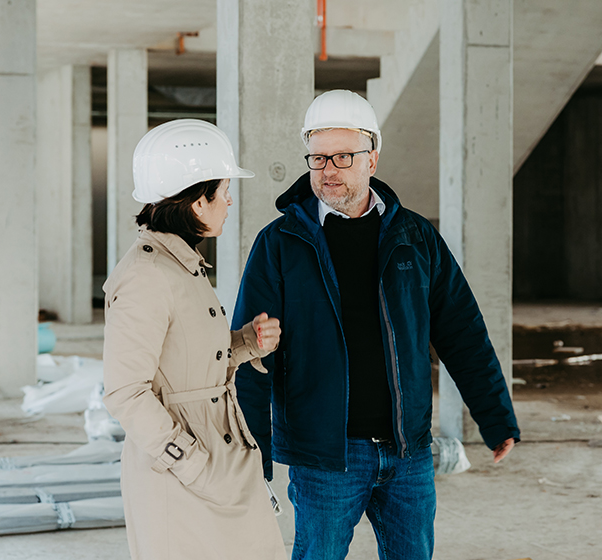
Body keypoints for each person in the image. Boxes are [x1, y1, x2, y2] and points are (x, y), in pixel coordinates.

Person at [231, 89, 520, 560]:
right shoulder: (280, 243)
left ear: (373, 158)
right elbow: (250, 354)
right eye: (318, 157)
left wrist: (494, 414)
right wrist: (253, 454)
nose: (328, 170)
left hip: (407, 451)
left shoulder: (414, 237)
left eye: (343, 156)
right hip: (325, 457)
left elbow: (461, 328)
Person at [103, 119, 287, 560]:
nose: (228, 201)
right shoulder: (147, 275)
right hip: (183, 472)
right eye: (223, 190)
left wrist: (244, 343)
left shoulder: (182, 264)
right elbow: (126, 392)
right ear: (196, 201)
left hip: (220, 454)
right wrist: (192, 464)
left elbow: (187, 364)